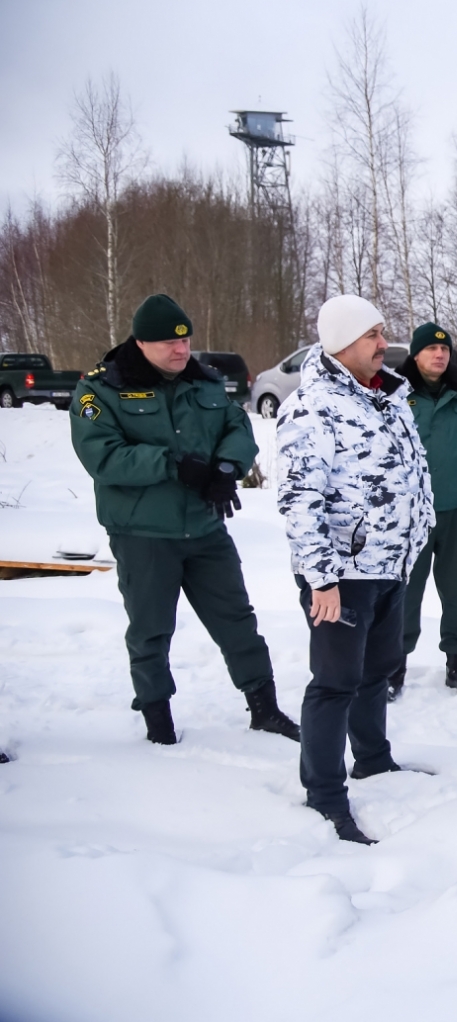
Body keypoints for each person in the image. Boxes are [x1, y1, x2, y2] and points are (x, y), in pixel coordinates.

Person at [70, 293, 299, 747]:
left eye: (185, 341)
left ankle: (265, 709)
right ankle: (158, 723)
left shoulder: (204, 382)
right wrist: (172, 464)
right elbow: (103, 456)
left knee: (237, 620)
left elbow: (238, 427)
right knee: (150, 631)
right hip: (143, 533)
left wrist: (227, 468)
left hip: (206, 526)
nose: (181, 350)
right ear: (140, 343)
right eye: (169, 343)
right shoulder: (101, 390)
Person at [278, 294, 436, 844]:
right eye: (372, 334)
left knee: (377, 671)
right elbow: (299, 499)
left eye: (381, 332)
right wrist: (321, 579)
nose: (383, 343)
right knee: (335, 683)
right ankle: (324, 794)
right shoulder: (312, 407)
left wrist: (413, 540)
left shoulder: (387, 397)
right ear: (342, 342)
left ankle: (373, 758)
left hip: (389, 564)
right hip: (341, 576)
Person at [390, 322, 457, 699]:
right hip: (408, 514)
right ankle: (393, 666)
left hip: (454, 511)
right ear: (415, 354)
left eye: (445, 350)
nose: (439, 355)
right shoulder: (393, 394)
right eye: (431, 349)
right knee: (404, 592)